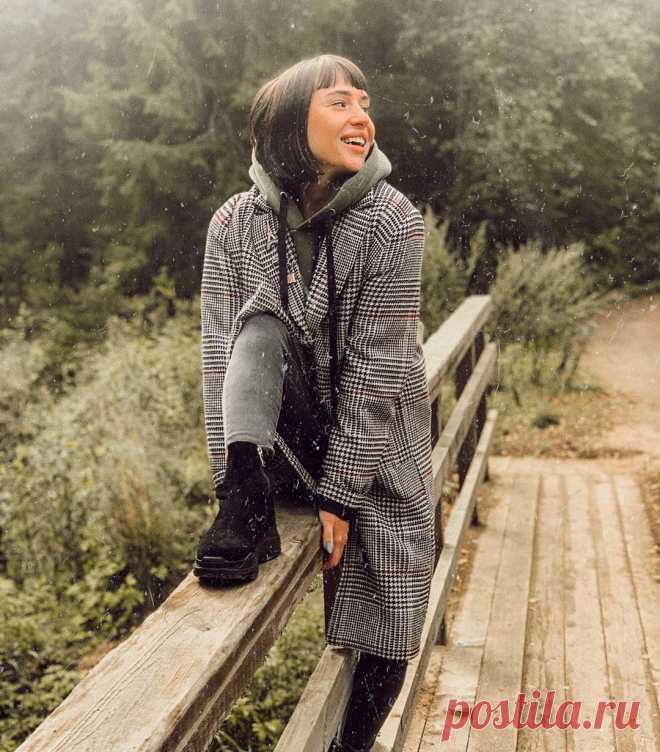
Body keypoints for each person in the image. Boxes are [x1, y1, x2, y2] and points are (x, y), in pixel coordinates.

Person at [194, 54, 435, 752]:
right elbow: (219, 356)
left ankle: (349, 746)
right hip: (285, 442)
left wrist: (341, 493)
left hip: (378, 445)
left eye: (364, 102)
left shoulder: (393, 220)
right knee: (258, 323)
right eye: (339, 103)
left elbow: (380, 364)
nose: (361, 116)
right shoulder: (234, 222)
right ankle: (241, 500)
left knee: (393, 618)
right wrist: (229, 476)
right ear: (290, 124)